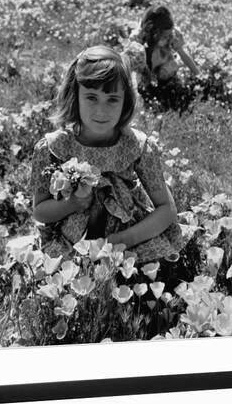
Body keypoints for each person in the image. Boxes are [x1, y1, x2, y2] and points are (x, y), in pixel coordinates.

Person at [31, 45, 184, 264]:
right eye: (91, 97)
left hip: (128, 238)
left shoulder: (137, 146)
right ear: (75, 96)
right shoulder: (54, 147)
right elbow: (40, 212)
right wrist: (73, 203)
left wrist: (118, 242)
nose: (101, 111)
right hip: (72, 242)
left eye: (112, 99)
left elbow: (167, 210)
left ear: (125, 102)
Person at [123, 5, 200, 112]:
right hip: (147, 78)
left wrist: (198, 74)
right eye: (165, 36)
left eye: (169, 35)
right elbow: (129, 67)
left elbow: (183, 54)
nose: (169, 37)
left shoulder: (172, 35)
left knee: (180, 100)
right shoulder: (139, 40)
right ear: (154, 33)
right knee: (151, 104)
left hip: (167, 75)